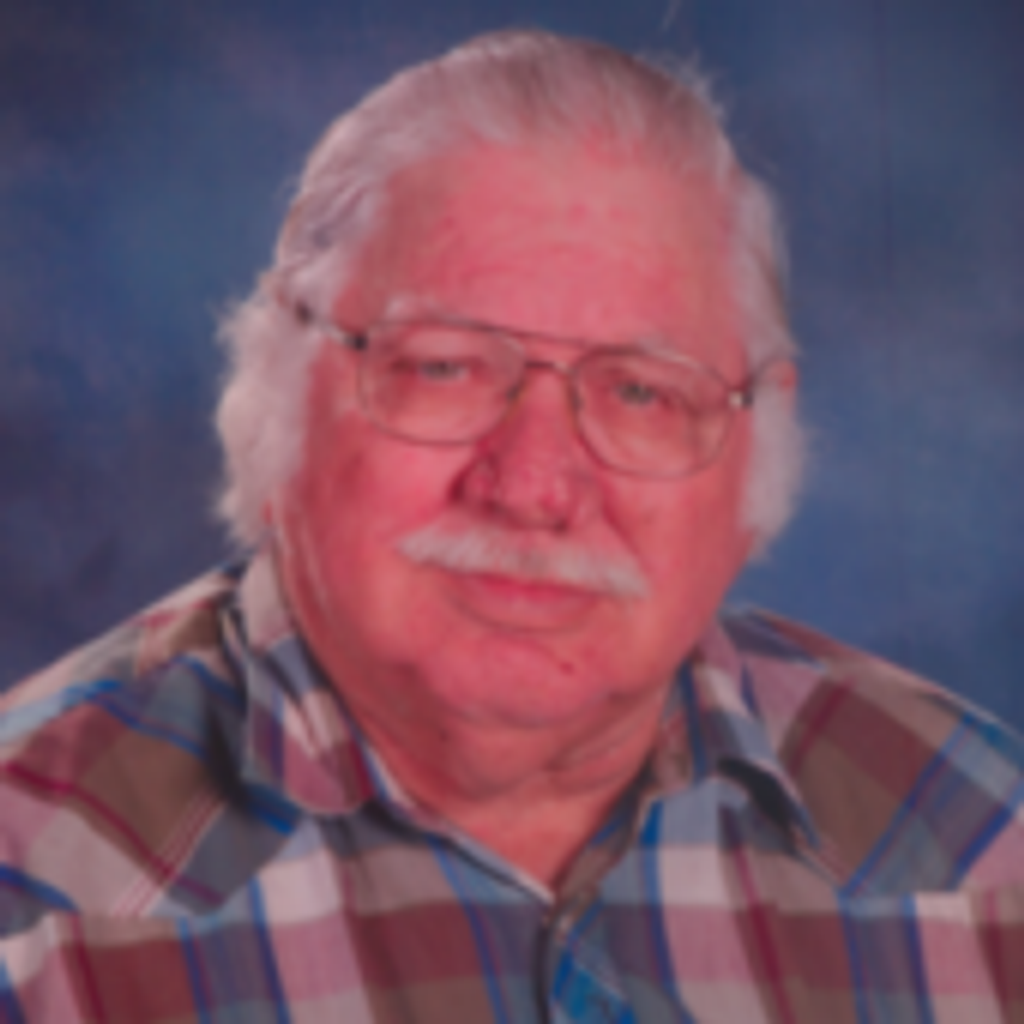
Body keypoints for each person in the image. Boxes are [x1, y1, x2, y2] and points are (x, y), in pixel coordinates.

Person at [1, 29, 1022, 1024]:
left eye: (641, 392)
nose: (534, 485)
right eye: (442, 367)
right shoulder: (31, 894)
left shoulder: (981, 850)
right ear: (280, 391)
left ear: (757, 448)